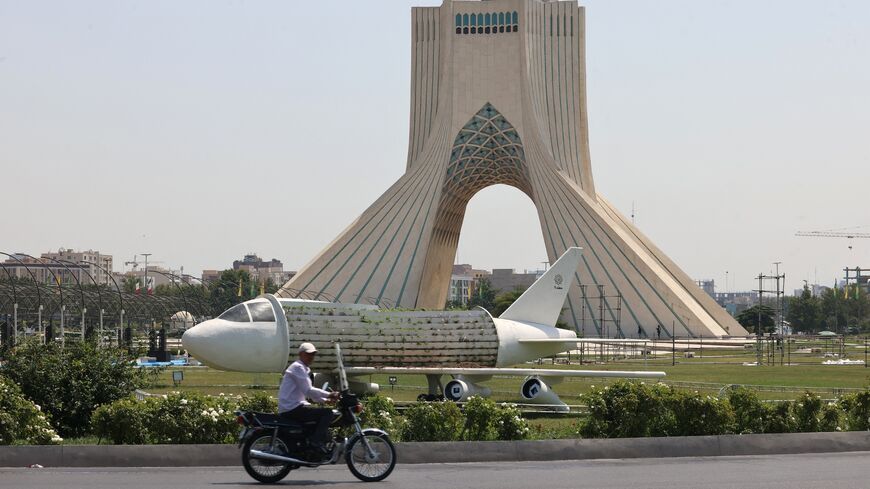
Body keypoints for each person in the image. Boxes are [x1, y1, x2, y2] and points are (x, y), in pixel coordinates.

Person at [278, 342, 340, 455]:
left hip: (293, 407)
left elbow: (309, 394)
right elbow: (309, 390)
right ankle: (315, 442)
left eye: (313, 354)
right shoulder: (298, 367)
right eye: (308, 354)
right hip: (292, 408)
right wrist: (329, 394)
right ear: (301, 354)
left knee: (319, 414)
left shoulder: (302, 369)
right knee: (327, 413)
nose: (311, 357)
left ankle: (310, 444)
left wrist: (325, 400)